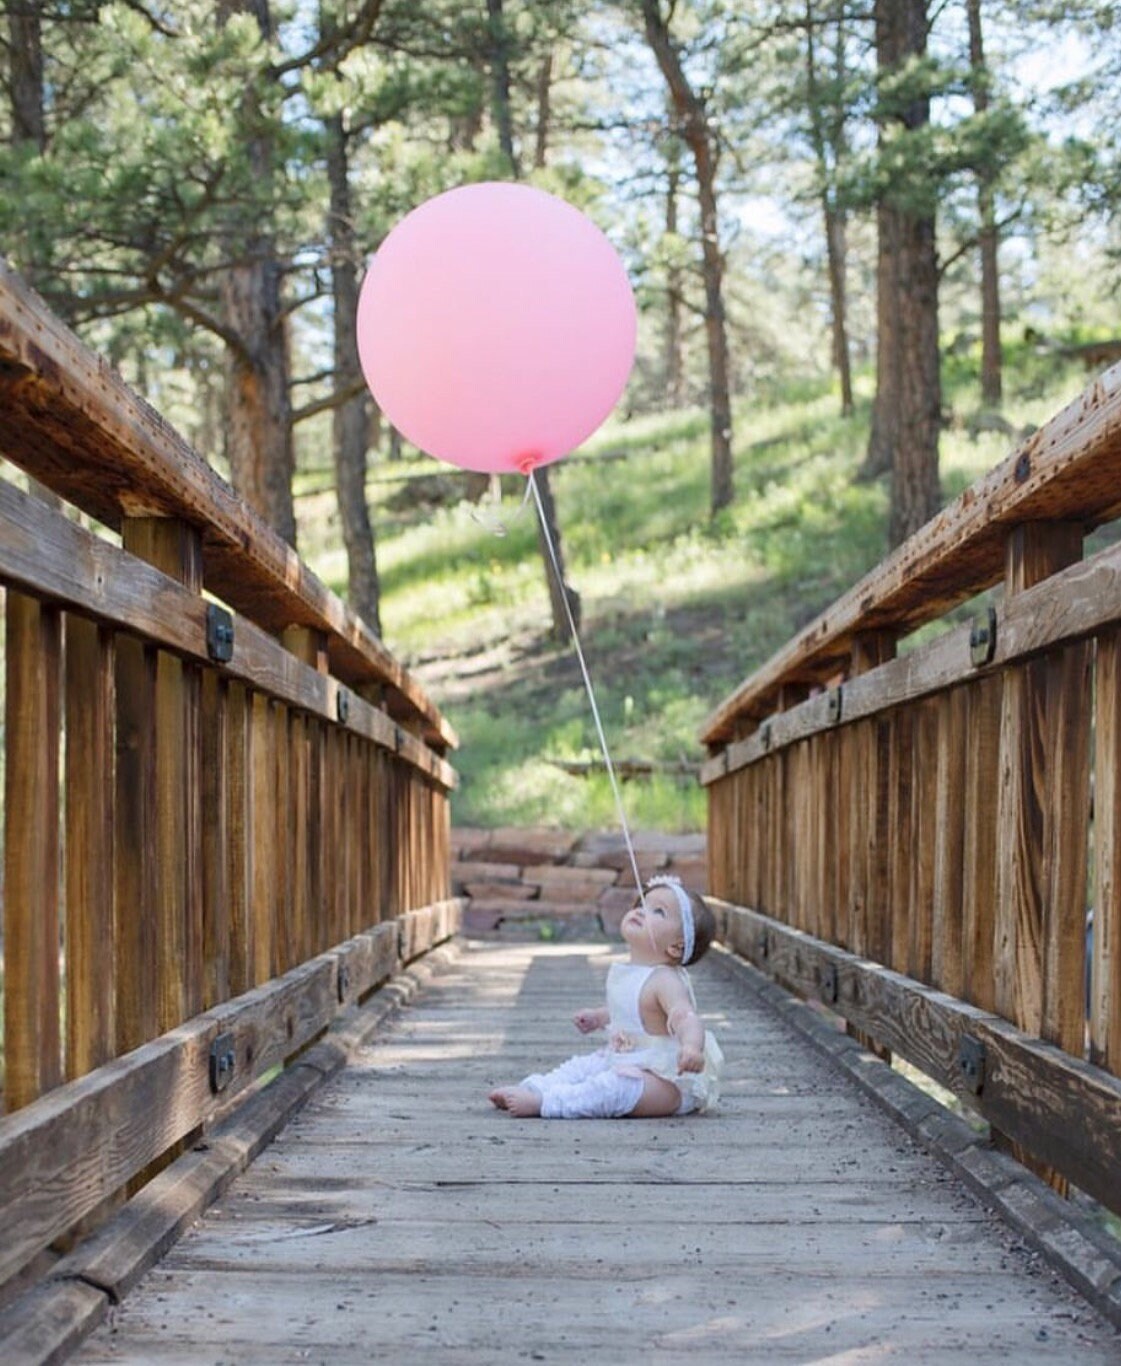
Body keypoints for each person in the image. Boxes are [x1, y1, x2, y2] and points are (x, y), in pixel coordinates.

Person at [488, 875, 724, 1119]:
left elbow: (684, 1015)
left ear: (676, 946)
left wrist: (691, 1047)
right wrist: (599, 1017)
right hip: (624, 1059)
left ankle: (548, 1103)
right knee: (583, 1066)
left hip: (664, 1080)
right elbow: (630, 1010)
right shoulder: (632, 972)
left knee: (616, 1088)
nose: (642, 911)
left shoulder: (665, 979)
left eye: (658, 912)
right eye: (641, 905)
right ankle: (535, 1087)